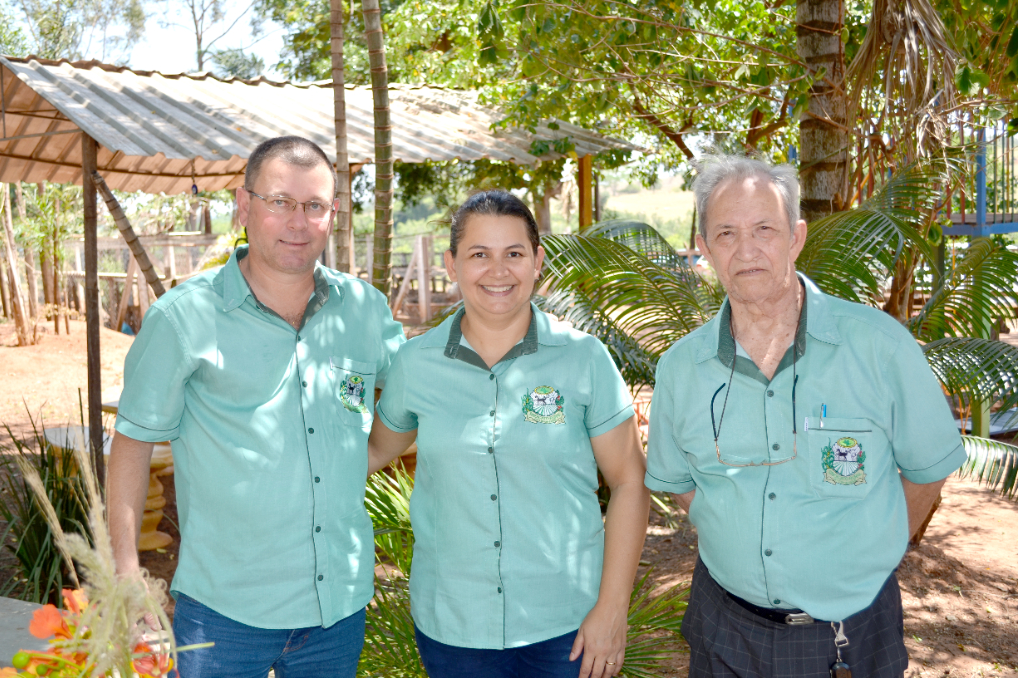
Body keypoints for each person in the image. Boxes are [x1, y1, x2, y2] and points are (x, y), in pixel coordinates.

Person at [645, 155, 967, 678]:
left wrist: (865, 559)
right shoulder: (681, 368)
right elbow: (682, 484)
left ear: (795, 237)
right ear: (704, 249)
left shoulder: (880, 347)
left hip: (849, 633)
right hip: (723, 625)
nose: (746, 251)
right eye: (725, 233)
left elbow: (927, 472)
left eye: (764, 229)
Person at [107, 136, 405, 678]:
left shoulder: (364, 311)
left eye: (313, 206)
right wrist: (128, 575)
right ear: (245, 207)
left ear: (332, 215)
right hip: (223, 612)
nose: (298, 221)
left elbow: (414, 396)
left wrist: (363, 457)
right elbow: (131, 443)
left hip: (337, 609)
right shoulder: (183, 319)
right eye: (280, 202)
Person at [367, 190, 650, 678]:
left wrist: (612, 608)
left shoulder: (583, 359)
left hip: (567, 624)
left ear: (537, 262)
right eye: (479, 255)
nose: (498, 272)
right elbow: (373, 451)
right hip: (454, 626)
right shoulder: (415, 364)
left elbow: (630, 481)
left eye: (514, 254)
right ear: (453, 264)